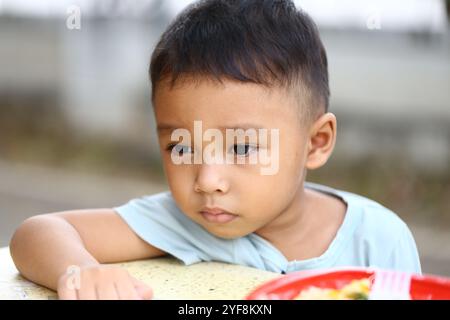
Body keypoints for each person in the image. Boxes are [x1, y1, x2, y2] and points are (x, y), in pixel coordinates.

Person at [9, 0, 421, 300]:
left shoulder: (380, 241)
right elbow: (37, 234)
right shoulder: (186, 223)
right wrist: (82, 272)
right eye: (181, 147)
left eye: (242, 146)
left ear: (316, 143)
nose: (207, 181)